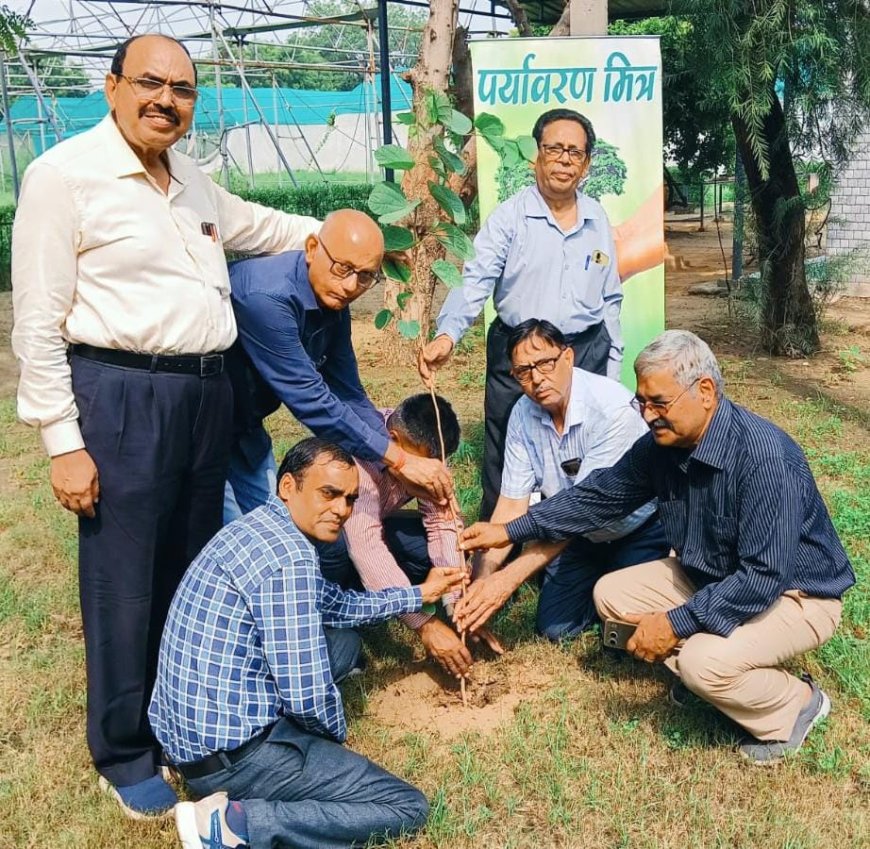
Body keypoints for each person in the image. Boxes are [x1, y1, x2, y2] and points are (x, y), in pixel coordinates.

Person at [10, 34, 323, 817]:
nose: (166, 101)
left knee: (189, 570)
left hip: (204, 396)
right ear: (111, 86)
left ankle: (179, 718)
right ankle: (123, 749)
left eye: (183, 90)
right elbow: (37, 322)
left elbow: (260, 226)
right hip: (121, 395)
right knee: (124, 579)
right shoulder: (65, 177)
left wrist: (333, 236)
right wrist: (64, 442)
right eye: (150, 83)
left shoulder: (190, 179)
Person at [459, 330, 855, 763]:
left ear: (706, 392)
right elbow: (599, 497)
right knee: (612, 595)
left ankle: (797, 704)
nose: (647, 415)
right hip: (715, 577)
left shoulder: (764, 459)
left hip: (795, 595)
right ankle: (719, 674)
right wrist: (512, 530)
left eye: (659, 403)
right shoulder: (663, 446)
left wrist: (675, 623)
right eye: (642, 402)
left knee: (701, 663)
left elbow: (762, 578)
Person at [149, 438, 466, 849]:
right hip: (233, 759)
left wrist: (418, 594)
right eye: (328, 493)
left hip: (184, 736)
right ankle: (233, 826)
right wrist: (332, 743)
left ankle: (186, 772)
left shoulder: (259, 527)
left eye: (350, 499)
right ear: (288, 486)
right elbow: (307, 695)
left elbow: (335, 604)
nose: (341, 509)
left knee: (346, 646)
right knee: (405, 806)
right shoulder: (291, 559)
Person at [418, 108, 622, 519]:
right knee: (506, 447)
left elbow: (610, 297)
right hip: (519, 353)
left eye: (575, 152)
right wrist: (448, 334)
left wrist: (612, 368)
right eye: (555, 149)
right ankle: (499, 538)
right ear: (536, 156)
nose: (564, 160)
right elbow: (475, 278)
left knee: (586, 452)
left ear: (586, 163)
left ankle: (577, 534)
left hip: (583, 351)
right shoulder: (509, 217)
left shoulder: (597, 217)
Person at [226, 209, 453, 524]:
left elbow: (347, 391)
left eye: (365, 276)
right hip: (202, 433)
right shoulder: (266, 298)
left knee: (276, 527)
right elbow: (312, 400)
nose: (350, 286)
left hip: (245, 429)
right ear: (311, 249)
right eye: (343, 268)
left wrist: (395, 459)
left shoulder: (332, 298)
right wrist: (399, 461)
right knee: (229, 535)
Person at [454, 319, 669, 642]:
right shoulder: (522, 413)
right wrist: (482, 582)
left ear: (568, 357)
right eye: (523, 371)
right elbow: (511, 505)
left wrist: (508, 579)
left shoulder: (611, 409)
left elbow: (585, 510)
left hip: (636, 529)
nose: (537, 379)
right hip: (577, 538)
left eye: (545, 363)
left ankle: (658, 568)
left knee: (625, 624)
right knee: (555, 629)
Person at [331, 393, 503, 679]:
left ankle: (384, 591)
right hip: (332, 540)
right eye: (423, 466)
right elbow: (366, 548)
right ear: (393, 440)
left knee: (435, 549)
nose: (429, 474)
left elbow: (443, 523)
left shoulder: (425, 452)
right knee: (340, 550)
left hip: (379, 524)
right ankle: (342, 613)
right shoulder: (357, 463)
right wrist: (424, 624)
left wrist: (457, 602)